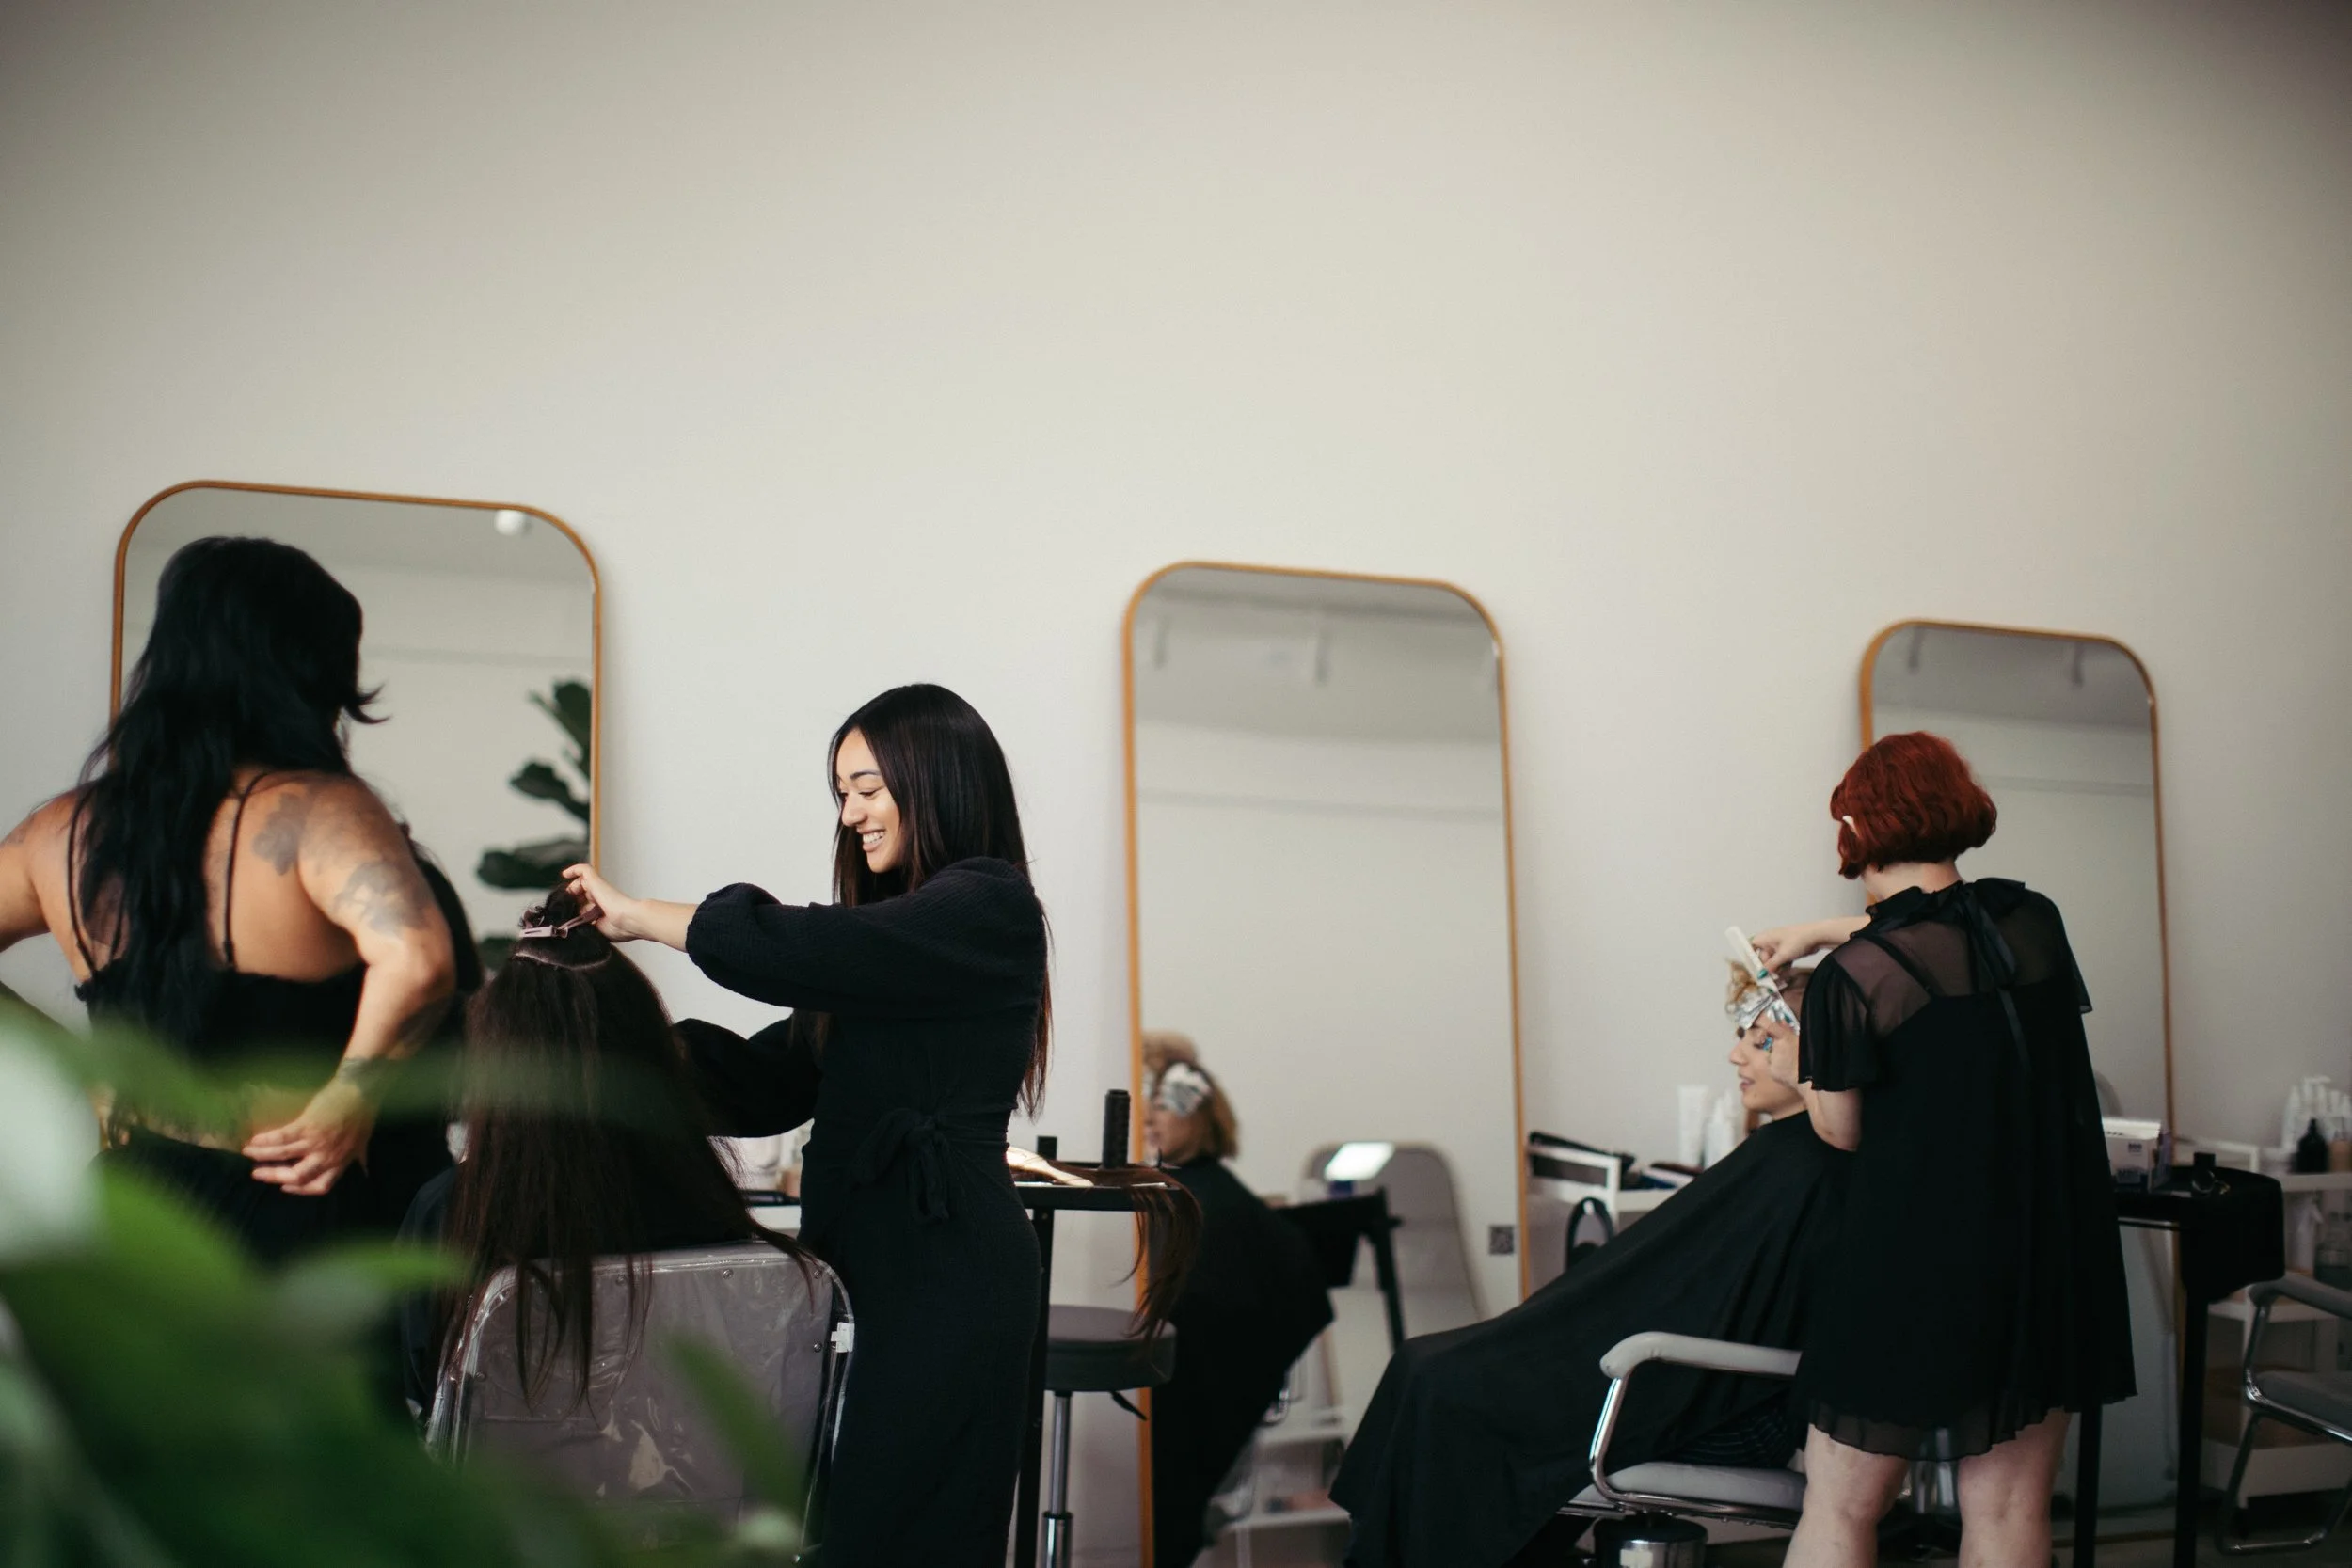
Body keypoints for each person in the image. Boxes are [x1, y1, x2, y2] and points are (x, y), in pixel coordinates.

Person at [561, 683, 1050, 1567]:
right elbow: (761, 1080)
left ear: (935, 776)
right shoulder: (884, 950)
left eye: (868, 786)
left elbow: (799, 948)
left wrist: (641, 916)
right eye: (841, 793)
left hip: (952, 1276)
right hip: (867, 1271)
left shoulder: (988, 907)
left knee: (910, 1534)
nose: (851, 812)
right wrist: (603, 1050)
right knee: (848, 1525)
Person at [0, 536, 463, 1261]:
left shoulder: (58, 830)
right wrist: (348, 1102)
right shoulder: (317, 810)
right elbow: (422, 960)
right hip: (291, 1206)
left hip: (127, 1206)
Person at [1752, 732, 2133, 1568]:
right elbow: (1953, 933)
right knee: (2006, 1507)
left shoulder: (1854, 978)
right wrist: (1822, 928)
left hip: (1913, 1267)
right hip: (2042, 1259)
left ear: (1854, 824)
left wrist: (1793, 1059)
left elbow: (1841, 1130)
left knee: (1844, 1503)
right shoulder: (2033, 922)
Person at [1331, 963, 1846, 1568]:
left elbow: (1741, 1309)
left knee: (1453, 1390)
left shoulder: (1817, 1168)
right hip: (1677, 1379)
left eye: (1762, 1041)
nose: (1737, 1056)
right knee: (1424, 1363)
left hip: (1723, 1405)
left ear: (1819, 1052)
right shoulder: (1781, 1151)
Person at [398, 888, 797, 1420]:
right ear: (653, 1047)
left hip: (513, 1502)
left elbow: (429, 1398)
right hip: (702, 1500)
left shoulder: (451, 1212)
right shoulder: (702, 1204)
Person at [1140, 1031, 1334, 1568]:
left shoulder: (1205, 1198)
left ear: (1195, 1119)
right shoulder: (1188, 1190)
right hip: (1190, 1367)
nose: (1150, 1122)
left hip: (1204, 1371)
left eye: (1161, 1112)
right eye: (1149, 1112)